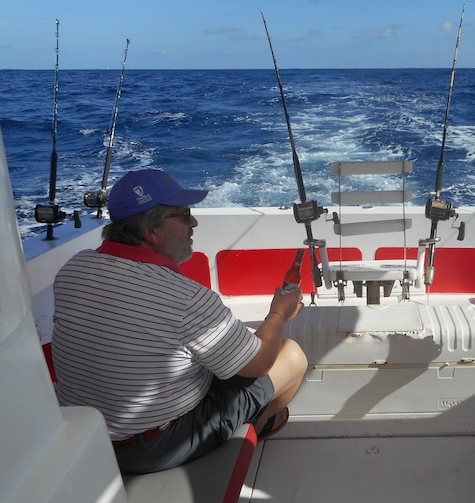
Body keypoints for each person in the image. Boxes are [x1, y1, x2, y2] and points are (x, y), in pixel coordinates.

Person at [52, 168, 308, 474]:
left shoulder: (74, 267)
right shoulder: (186, 298)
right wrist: (278, 314)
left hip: (86, 435)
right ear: (151, 232)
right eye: (185, 215)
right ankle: (259, 422)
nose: (195, 223)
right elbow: (257, 364)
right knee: (290, 355)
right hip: (149, 447)